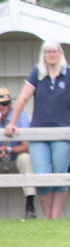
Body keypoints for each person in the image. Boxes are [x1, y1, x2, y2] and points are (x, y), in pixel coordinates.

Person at [3, 41, 70, 219]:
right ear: (43, 54)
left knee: (60, 174)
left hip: (64, 133)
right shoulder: (37, 73)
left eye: (54, 51)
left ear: (60, 53)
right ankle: (48, 217)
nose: (51, 54)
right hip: (38, 133)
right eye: (47, 52)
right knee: (41, 175)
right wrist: (12, 123)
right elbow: (23, 98)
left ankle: (55, 217)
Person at [0, 87, 37, 218]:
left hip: (15, 156)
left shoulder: (20, 116)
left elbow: (27, 146)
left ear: (10, 104)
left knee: (26, 159)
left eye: (5, 104)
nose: (2, 107)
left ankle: (30, 207)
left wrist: (8, 150)